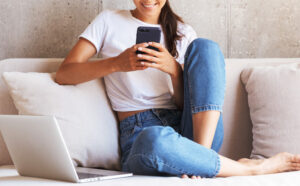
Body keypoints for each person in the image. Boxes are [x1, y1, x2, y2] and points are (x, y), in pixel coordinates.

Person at [55, 0, 300, 179]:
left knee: (206, 47)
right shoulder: (108, 21)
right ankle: (249, 168)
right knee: (154, 139)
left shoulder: (183, 32)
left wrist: (174, 70)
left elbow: (188, 104)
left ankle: (199, 161)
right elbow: (65, 74)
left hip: (195, 133)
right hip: (141, 135)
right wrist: (117, 63)